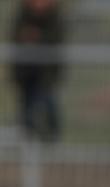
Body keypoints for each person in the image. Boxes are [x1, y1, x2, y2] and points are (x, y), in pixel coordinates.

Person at [10, 0, 64, 141]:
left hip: (46, 74)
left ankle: (51, 139)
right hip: (26, 74)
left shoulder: (54, 17)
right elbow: (15, 37)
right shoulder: (23, 15)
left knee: (47, 105)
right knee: (27, 112)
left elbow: (56, 39)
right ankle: (28, 141)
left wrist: (38, 37)